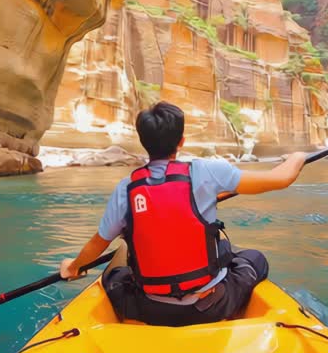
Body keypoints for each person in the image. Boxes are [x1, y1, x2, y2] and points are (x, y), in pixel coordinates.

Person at [60, 101, 309, 327]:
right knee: (254, 258)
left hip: (151, 309)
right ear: (181, 141)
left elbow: (97, 244)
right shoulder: (209, 172)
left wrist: (74, 267)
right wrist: (298, 156)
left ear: (143, 141)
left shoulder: (126, 189)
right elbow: (281, 178)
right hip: (210, 306)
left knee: (115, 275)